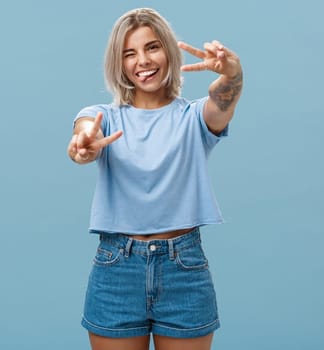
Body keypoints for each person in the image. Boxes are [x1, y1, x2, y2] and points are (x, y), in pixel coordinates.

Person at [66, 7, 242, 350]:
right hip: (116, 268)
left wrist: (232, 75)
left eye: (152, 47)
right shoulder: (101, 116)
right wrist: (83, 146)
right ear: (119, 64)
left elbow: (225, 100)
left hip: (184, 269)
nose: (142, 60)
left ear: (169, 52)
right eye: (129, 53)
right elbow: (83, 137)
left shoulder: (195, 117)